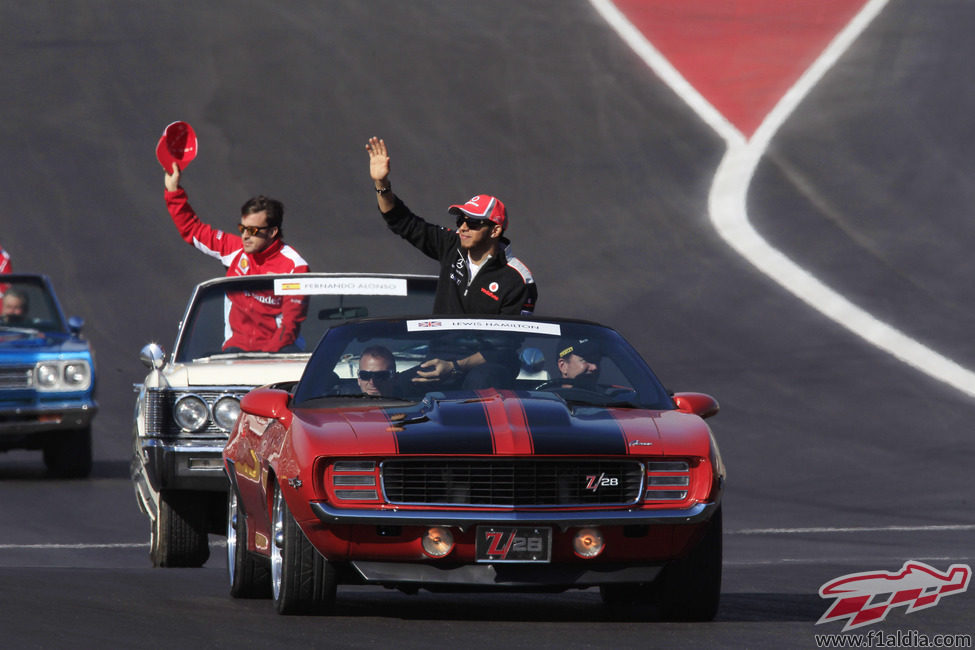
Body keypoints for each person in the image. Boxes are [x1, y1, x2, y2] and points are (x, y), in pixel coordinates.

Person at [366, 136, 536, 384]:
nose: (463, 227)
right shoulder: (451, 245)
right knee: (393, 390)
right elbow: (401, 221)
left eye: (473, 222)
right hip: (440, 359)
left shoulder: (518, 278)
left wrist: (455, 366)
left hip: (488, 366)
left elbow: (505, 344)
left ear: (495, 230)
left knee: (476, 388)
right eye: (460, 220)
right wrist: (382, 182)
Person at [164, 163, 309, 352]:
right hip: (235, 351)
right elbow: (192, 230)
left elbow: (289, 327)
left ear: (273, 231)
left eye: (253, 230)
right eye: (242, 229)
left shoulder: (295, 267)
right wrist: (173, 190)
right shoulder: (235, 249)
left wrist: (263, 359)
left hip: (281, 352)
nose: (245, 236)